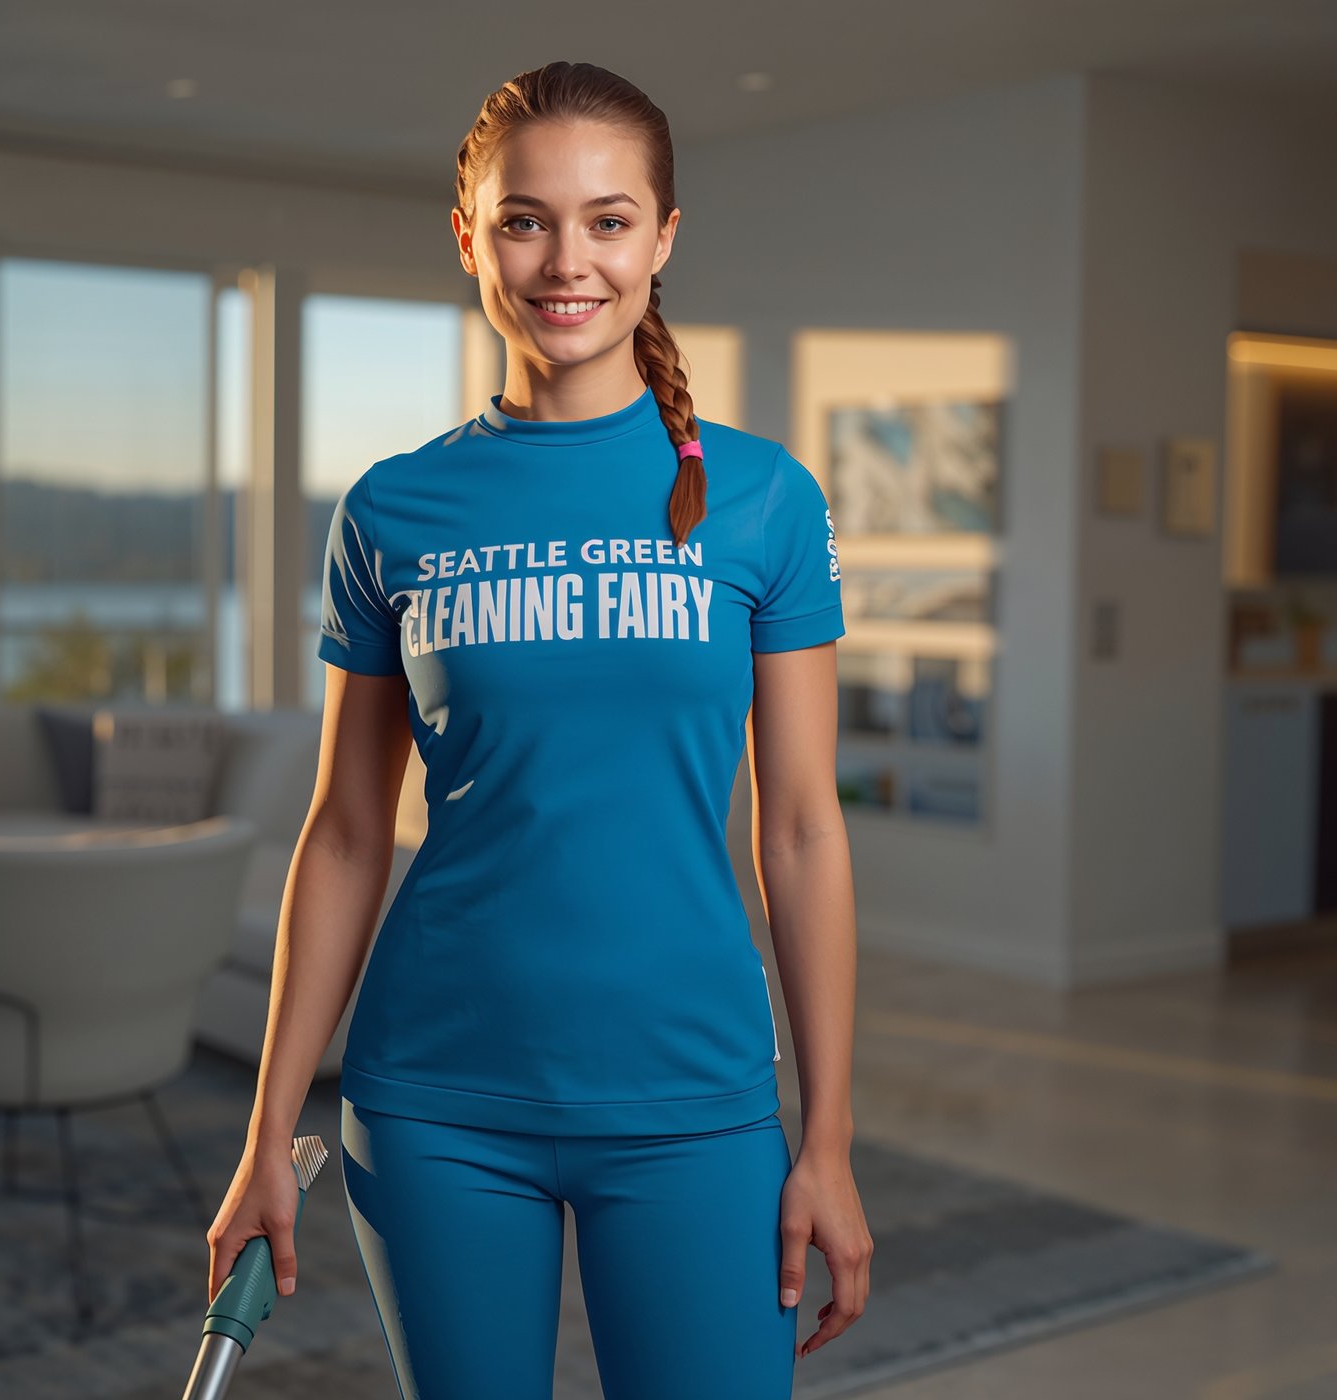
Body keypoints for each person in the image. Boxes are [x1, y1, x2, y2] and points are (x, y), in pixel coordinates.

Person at [205, 59, 871, 1399]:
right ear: (470, 238)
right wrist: (268, 1130)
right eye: (525, 220)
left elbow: (801, 829)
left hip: (694, 1098)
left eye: (608, 220)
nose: (568, 261)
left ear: (662, 238)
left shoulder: (764, 500)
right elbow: (345, 834)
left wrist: (830, 1141)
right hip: (435, 1099)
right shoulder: (393, 511)